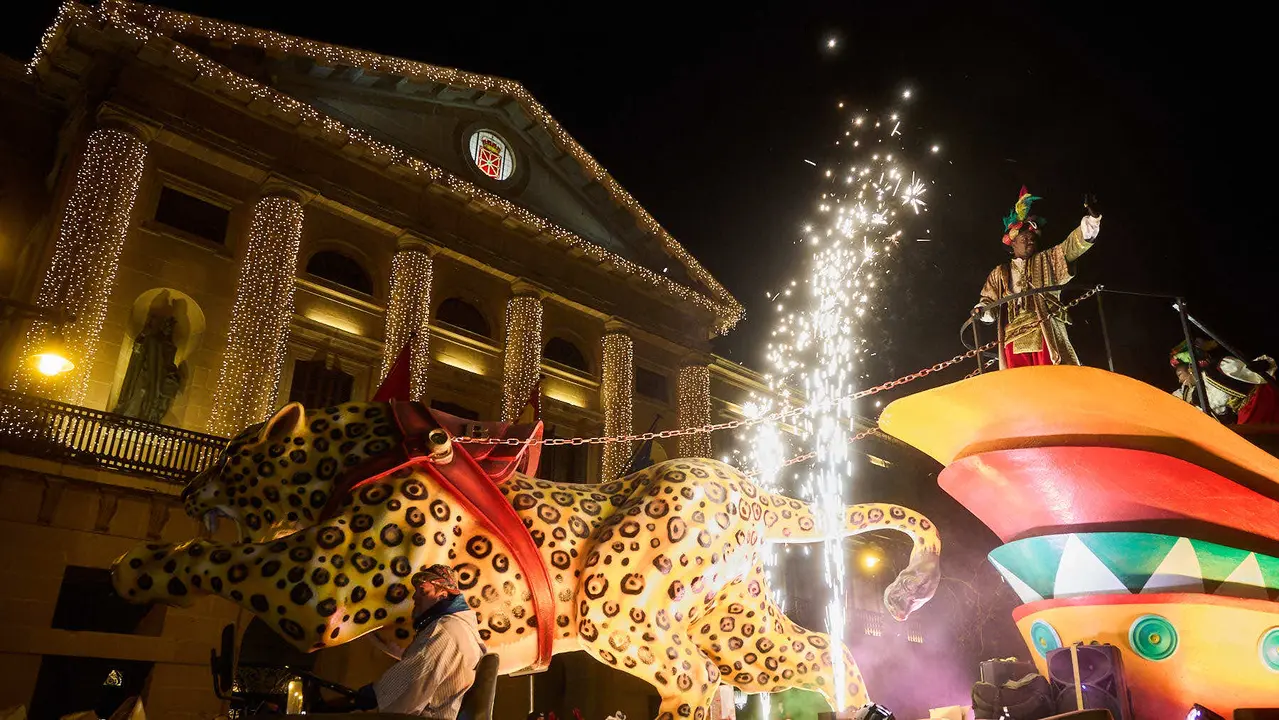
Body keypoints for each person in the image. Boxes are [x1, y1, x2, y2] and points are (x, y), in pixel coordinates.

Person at [973, 187, 1102, 368]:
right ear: (1013, 243)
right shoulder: (999, 273)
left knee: (1053, 381)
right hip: (1013, 338)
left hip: (1045, 331)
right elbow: (988, 303)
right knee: (1018, 387)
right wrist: (981, 311)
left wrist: (1093, 220)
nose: (1030, 240)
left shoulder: (1048, 259)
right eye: (1024, 237)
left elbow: (1072, 246)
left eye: (1033, 237)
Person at [340, 565, 485, 717]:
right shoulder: (459, 627)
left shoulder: (444, 631)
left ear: (442, 595)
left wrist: (365, 697)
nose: (415, 597)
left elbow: (409, 685)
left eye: (423, 591)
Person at [1170, 339, 1279, 424]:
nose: (1180, 380)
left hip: (1262, 402)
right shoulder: (1196, 392)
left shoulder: (1219, 368)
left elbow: (1251, 371)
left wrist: (1265, 364)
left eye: (1180, 375)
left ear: (1190, 368)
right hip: (1244, 416)